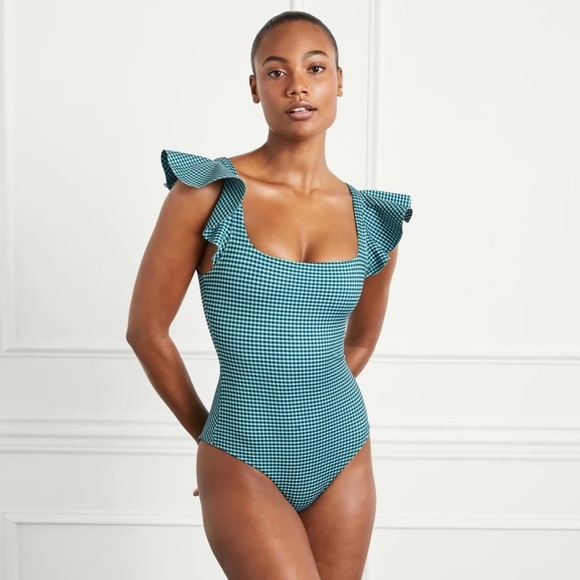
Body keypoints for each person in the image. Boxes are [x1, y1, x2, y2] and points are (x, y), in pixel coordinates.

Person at [127, 10, 412, 580]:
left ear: (339, 81)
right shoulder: (209, 192)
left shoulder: (373, 217)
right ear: (255, 87)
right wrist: (211, 436)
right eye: (277, 72)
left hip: (343, 446)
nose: (297, 86)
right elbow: (146, 332)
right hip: (240, 447)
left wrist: (305, 401)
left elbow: (359, 341)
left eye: (315, 68)